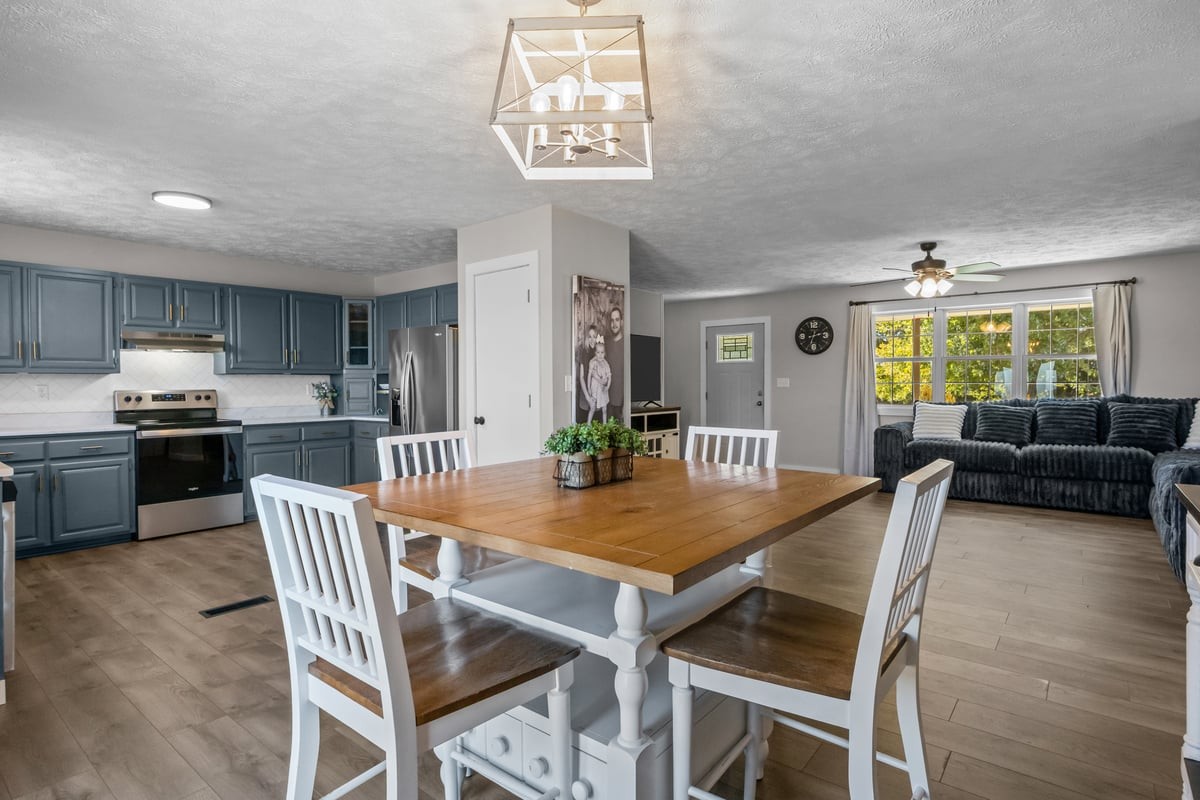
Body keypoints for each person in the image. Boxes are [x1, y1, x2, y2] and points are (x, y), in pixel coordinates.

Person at [576, 324, 598, 423]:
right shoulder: (583, 351)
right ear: (586, 338)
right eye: (590, 337)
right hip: (585, 396)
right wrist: (588, 398)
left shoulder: (599, 352)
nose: (592, 339)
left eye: (594, 336)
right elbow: (581, 377)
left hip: (596, 396)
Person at [606, 305, 625, 422]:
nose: (614, 323)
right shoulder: (606, 343)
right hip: (606, 401)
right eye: (612, 320)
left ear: (622, 322)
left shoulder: (626, 344)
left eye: (617, 320)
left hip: (620, 403)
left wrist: (624, 403)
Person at [587, 338, 611, 423]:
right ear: (595, 353)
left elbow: (609, 376)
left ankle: (605, 425)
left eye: (602, 352)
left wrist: (607, 387)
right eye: (598, 352)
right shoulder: (593, 362)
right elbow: (589, 375)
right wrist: (589, 388)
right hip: (595, 388)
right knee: (592, 407)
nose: (600, 355)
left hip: (603, 389)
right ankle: (588, 425)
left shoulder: (606, 364)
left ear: (605, 353)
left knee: (604, 409)